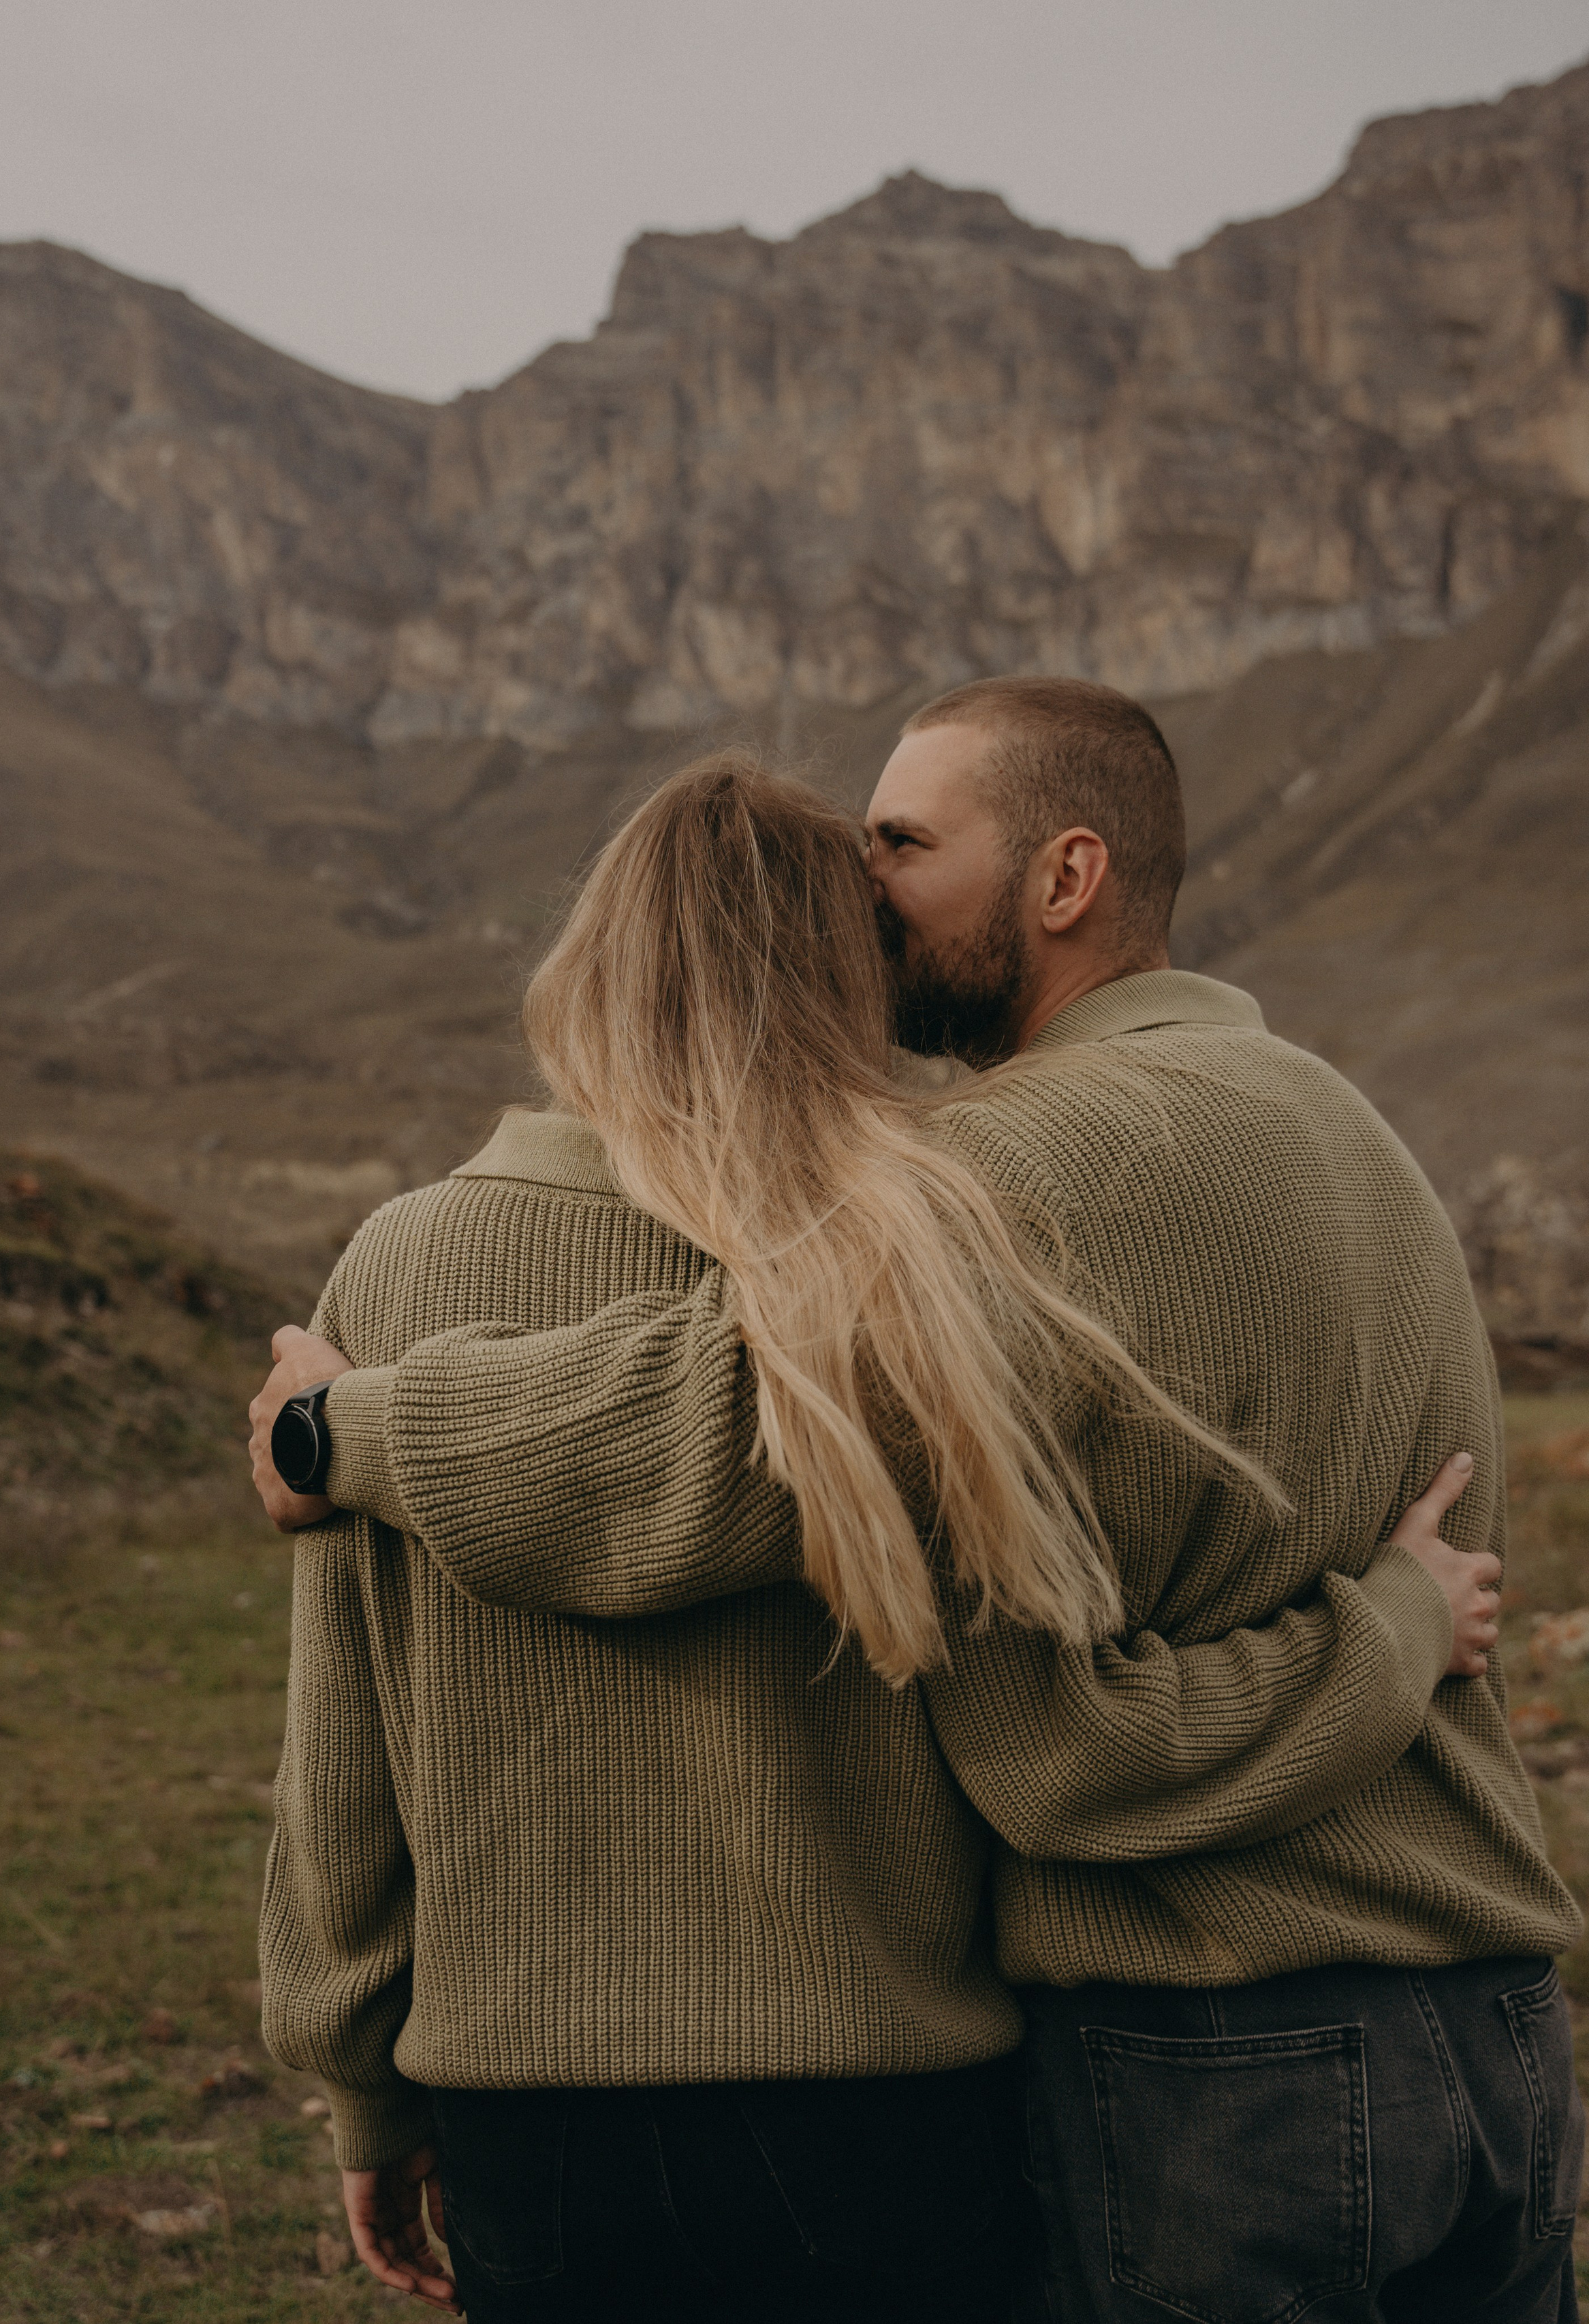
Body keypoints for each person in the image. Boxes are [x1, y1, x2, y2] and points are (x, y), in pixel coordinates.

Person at [262, 685, 1582, 2323]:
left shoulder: (1007, 1170)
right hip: (1490, 2030)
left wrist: (342, 1426)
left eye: (902, 842)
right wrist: (1391, 1623)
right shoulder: (1345, 1128)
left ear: (1064, 875)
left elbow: (719, 1430)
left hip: (1212, 2054)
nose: (869, 894)